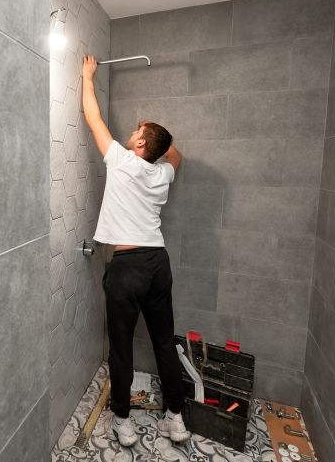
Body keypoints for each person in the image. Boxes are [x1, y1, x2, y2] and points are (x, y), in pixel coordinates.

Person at [81, 54, 189, 447]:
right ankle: (175, 418)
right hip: (158, 263)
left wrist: (86, 75)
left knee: (122, 346)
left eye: (136, 130)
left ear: (140, 143)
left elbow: (92, 117)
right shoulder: (162, 173)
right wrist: (161, 140)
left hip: (127, 267)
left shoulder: (123, 161)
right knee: (164, 340)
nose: (129, 133)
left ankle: (123, 422)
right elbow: (176, 154)